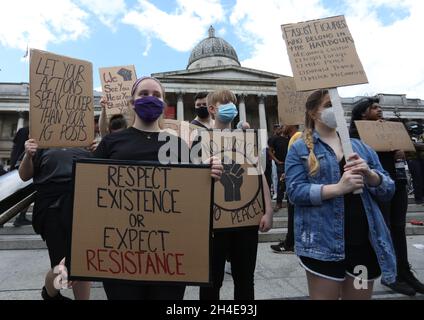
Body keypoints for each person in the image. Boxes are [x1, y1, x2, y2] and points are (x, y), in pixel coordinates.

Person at [93, 77, 223, 300]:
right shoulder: (111, 143)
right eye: (143, 94)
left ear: (163, 104)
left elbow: (191, 198)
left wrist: (207, 175)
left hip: (168, 256)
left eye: (156, 95)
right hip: (122, 253)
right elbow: (93, 194)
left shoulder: (178, 145)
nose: (150, 99)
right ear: (132, 102)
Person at [285, 89, 397, 300]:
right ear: (312, 112)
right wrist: (338, 188)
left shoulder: (360, 147)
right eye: (328, 105)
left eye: (337, 104)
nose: (335, 109)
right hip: (322, 245)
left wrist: (371, 175)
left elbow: (388, 189)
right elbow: (294, 191)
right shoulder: (299, 148)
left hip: (363, 243)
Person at [198, 89, 273, 300]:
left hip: (246, 222)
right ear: (212, 109)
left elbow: (258, 176)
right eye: (225, 102)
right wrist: (204, 168)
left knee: (245, 279)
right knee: (212, 281)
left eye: (233, 102)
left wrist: (268, 211)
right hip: (213, 224)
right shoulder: (200, 141)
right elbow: (191, 181)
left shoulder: (248, 140)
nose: (231, 105)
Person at [350, 97, 424, 295]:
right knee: (386, 228)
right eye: (374, 108)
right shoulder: (356, 136)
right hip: (378, 185)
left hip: (397, 180)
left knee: (399, 228)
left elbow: (411, 148)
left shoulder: (390, 127)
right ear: (362, 113)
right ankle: (390, 274)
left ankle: (404, 271)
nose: (379, 110)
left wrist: (401, 150)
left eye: (379, 107)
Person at [18, 141, 92, 300]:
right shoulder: (41, 143)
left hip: (84, 207)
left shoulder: (87, 142)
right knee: (63, 267)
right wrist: (28, 155)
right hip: (54, 209)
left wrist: (97, 150)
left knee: (83, 263)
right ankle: (50, 292)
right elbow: (24, 176)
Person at [270, 125, 301, 254]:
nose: (282, 126)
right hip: (291, 179)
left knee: (293, 214)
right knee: (291, 215)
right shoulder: (292, 138)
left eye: (285, 123)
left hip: (296, 184)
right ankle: (290, 242)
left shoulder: (297, 137)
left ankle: (290, 243)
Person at [9, 126, 32, 227]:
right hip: (24, 163)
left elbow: (14, 146)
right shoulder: (33, 130)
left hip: (16, 161)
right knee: (26, 193)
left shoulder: (21, 129)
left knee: (14, 192)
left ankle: (20, 216)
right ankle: (20, 217)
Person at [268, 125, 289, 211]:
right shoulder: (274, 139)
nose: (280, 129)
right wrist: (277, 161)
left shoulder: (288, 138)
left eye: (281, 127)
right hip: (280, 163)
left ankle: (288, 202)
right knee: (281, 182)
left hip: (288, 163)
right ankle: (278, 203)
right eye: (279, 128)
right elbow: (269, 151)